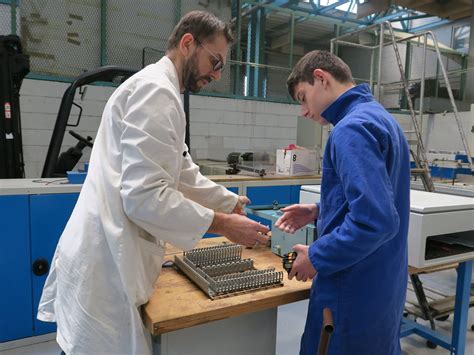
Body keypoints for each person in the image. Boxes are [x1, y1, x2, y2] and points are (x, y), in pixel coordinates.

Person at [37, 11, 270, 355]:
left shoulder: (161, 90)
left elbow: (180, 169)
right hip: (107, 263)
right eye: (215, 62)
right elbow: (145, 197)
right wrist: (223, 224)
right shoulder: (156, 92)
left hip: (105, 253)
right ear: (188, 43)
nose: (217, 75)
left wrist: (227, 201)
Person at [275, 50, 410, 355]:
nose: (304, 111)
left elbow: (375, 220)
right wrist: (320, 211)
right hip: (382, 282)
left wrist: (317, 256)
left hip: (352, 288)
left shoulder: (350, 129)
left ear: (321, 78)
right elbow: (378, 198)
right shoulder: (381, 119)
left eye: (303, 97)